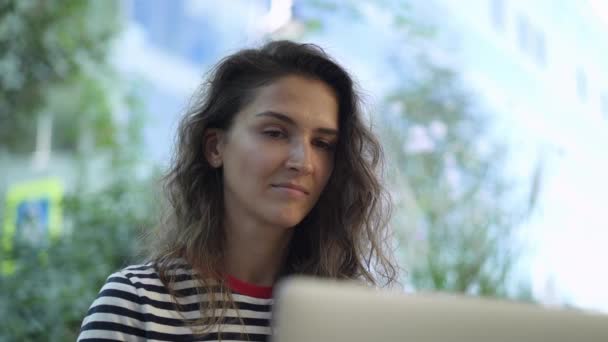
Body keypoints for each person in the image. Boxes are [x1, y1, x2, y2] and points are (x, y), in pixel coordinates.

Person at [77, 40, 398, 342]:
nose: (304, 162)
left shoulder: (353, 318)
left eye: (322, 143)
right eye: (275, 133)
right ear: (216, 147)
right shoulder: (135, 304)